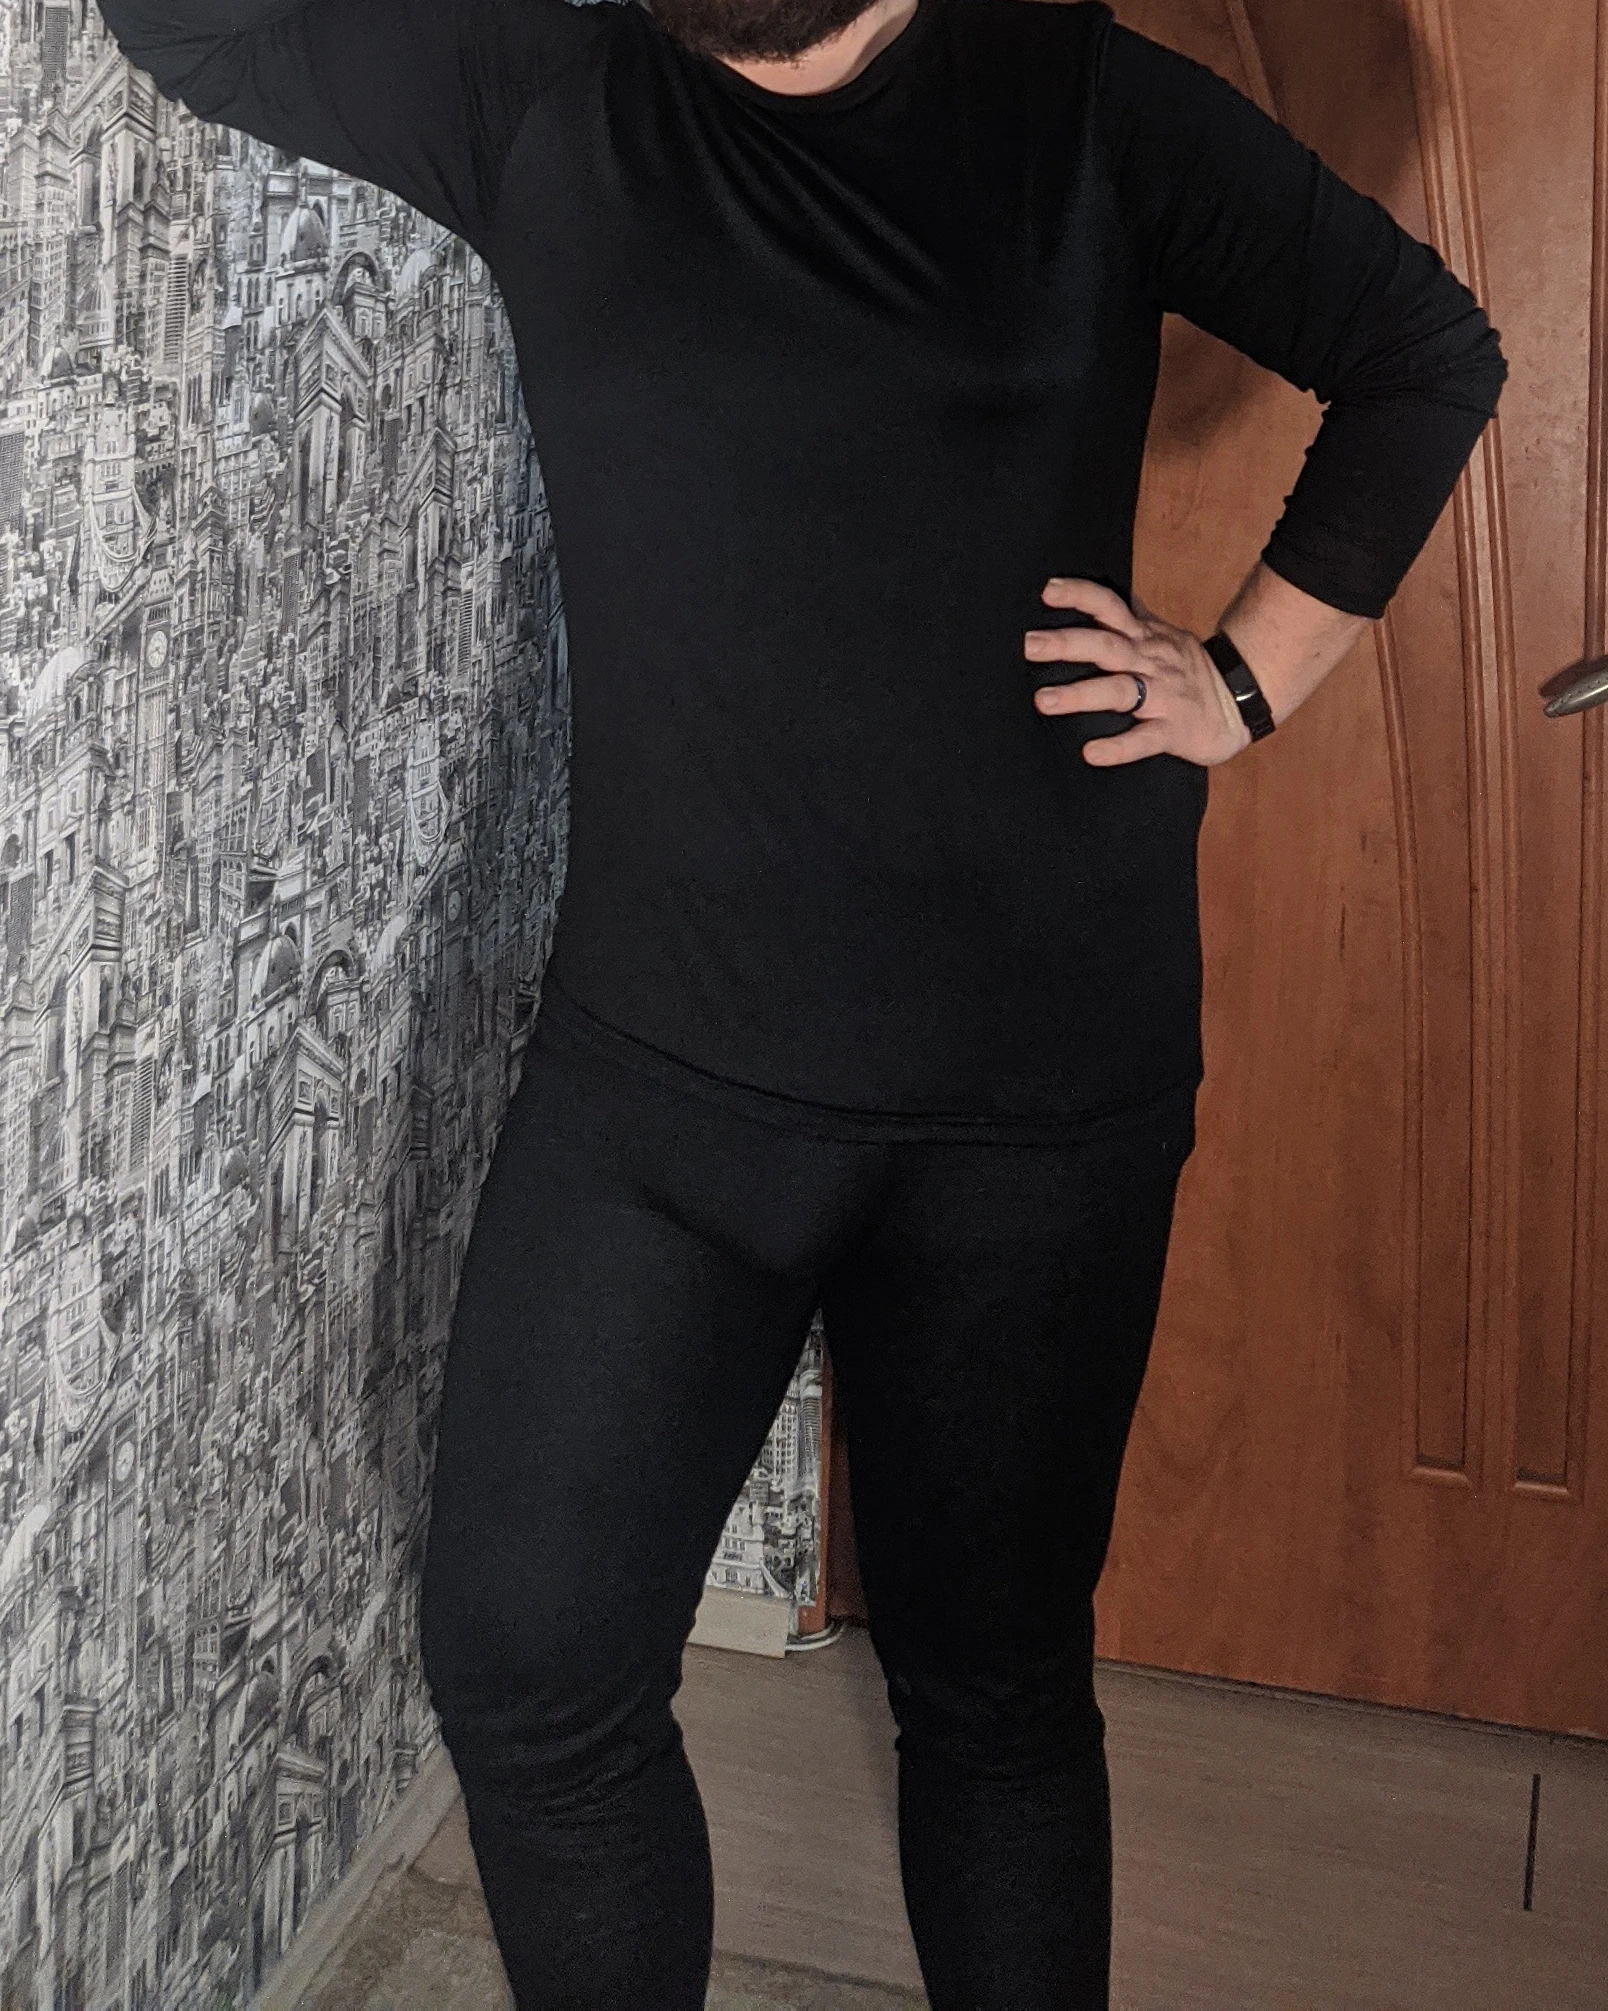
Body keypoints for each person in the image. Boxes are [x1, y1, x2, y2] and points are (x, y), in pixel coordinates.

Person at [98, 0, 1507, 2003]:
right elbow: (190, 27)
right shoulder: (547, 95)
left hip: (1039, 1104)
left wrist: (1244, 678)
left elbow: (1426, 351)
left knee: (993, 1695)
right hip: (663, 1088)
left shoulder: (1078, 101)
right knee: (528, 1670)